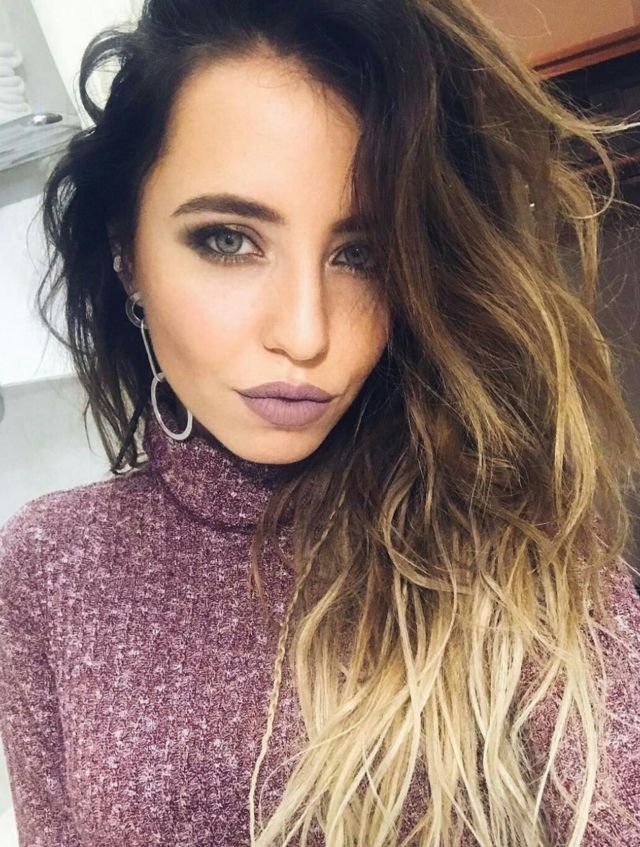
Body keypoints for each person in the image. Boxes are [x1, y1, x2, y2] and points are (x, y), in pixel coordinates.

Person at [1, 0, 640, 844]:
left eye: (361, 254)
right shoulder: (49, 563)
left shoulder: (517, 535)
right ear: (128, 254)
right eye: (227, 240)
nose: (306, 334)